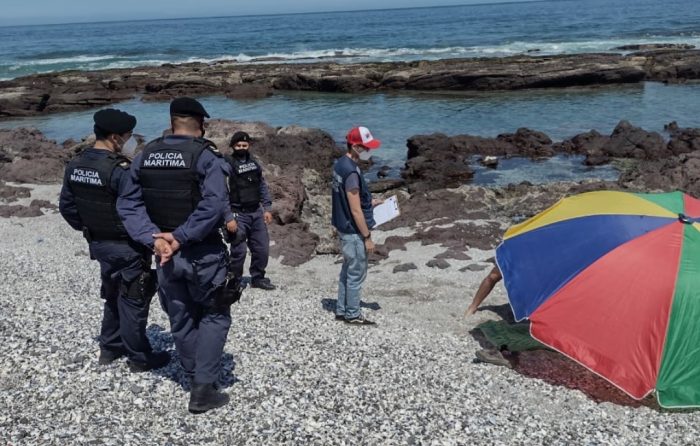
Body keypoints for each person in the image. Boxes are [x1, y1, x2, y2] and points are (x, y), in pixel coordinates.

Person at [117, 97, 241, 414]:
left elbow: (128, 205)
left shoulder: (144, 155)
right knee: (215, 314)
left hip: (165, 256)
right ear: (200, 125)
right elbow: (213, 205)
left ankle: (192, 374)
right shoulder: (205, 157)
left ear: (173, 123)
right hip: (202, 253)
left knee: (180, 315)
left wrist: (155, 240)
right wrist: (180, 237)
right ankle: (202, 390)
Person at [58, 108, 170, 372]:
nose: (131, 140)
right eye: (128, 136)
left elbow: (67, 207)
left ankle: (110, 347)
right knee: (134, 299)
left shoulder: (76, 165)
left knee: (112, 294)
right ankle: (140, 358)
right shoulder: (120, 170)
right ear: (115, 138)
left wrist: (90, 228)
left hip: (98, 244)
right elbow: (135, 210)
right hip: (126, 246)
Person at [331, 126, 384, 326]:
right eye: (364, 146)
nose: (368, 150)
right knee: (356, 273)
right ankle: (352, 314)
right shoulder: (352, 172)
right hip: (353, 231)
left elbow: (349, 199)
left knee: (347, 269)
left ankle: (342, 309)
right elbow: (355, 211)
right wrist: (367, 237)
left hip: (343, 227)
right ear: (354, 145)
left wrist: (371, 202)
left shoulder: (340, 165)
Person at [224, 131, 276, 290]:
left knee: (262, 248)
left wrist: (267, 208)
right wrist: (228, 217)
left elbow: (261, 186)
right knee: (238, 251)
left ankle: (258, 278)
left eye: (244, 145)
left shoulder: (254, 163)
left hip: (256, 212)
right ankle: (235, 280)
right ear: (233, 146)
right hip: (237, 214)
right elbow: (221, 193)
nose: (241, 147)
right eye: (238, 145)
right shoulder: (227, 164)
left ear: (249, 146)